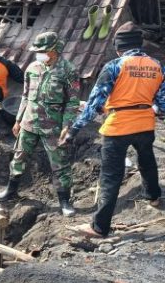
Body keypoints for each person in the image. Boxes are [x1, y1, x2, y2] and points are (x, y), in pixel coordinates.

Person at [61, 22, 165, 237]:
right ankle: (153, 196)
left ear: (119, 47)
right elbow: (162, 103)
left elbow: (94, 103)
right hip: (145, 123)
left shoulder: (115, 66)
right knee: (147, 160)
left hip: (118, 126)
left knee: (110, 176)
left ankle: (99, 227)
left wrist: (73, 130)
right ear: (140, 44)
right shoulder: (157, 65)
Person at [0, 31, 80, 217]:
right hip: (29, 123)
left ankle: (64, 201)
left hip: (53, 127)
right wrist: (18, 120)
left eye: (42, 50)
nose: (38, 53)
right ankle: (11, 190)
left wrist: (67, 125)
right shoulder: (32, 68)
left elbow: (73, 102)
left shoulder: (68, 71)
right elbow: (25, 96)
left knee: (60, 164)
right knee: (18, 157)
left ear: (54, 50)